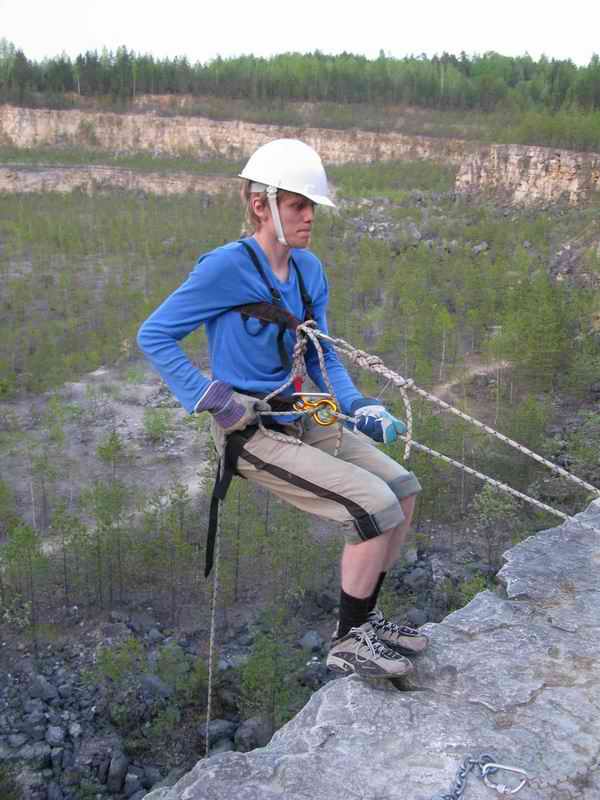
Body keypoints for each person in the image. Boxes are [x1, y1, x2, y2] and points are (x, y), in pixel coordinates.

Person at [137, 138, 427, 679]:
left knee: (404, 491)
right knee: (373, 506)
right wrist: (212, 398)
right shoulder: (226, 268)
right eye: (298, 205)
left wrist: (360, 405)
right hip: (251, 430)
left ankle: (368, 617)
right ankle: (349, 641)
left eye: (311, 206)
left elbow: (322, 354)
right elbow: (154, 335)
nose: (309, 216)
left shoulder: (309, 271)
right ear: (260, 205)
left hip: (304, 412)